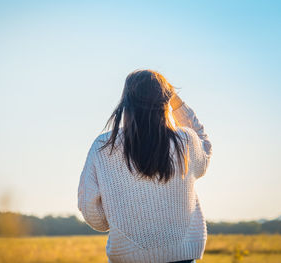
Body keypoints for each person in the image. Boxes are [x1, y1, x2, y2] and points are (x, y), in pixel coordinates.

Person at [77, 69, 212, 263]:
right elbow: (204, 146)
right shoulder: (186, 141)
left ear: (126, 103)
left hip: (126, 258)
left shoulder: (103, 146)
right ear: (165, 101)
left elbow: (92, 212)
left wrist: (119, 217)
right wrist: (175, 101)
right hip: (182, 257)